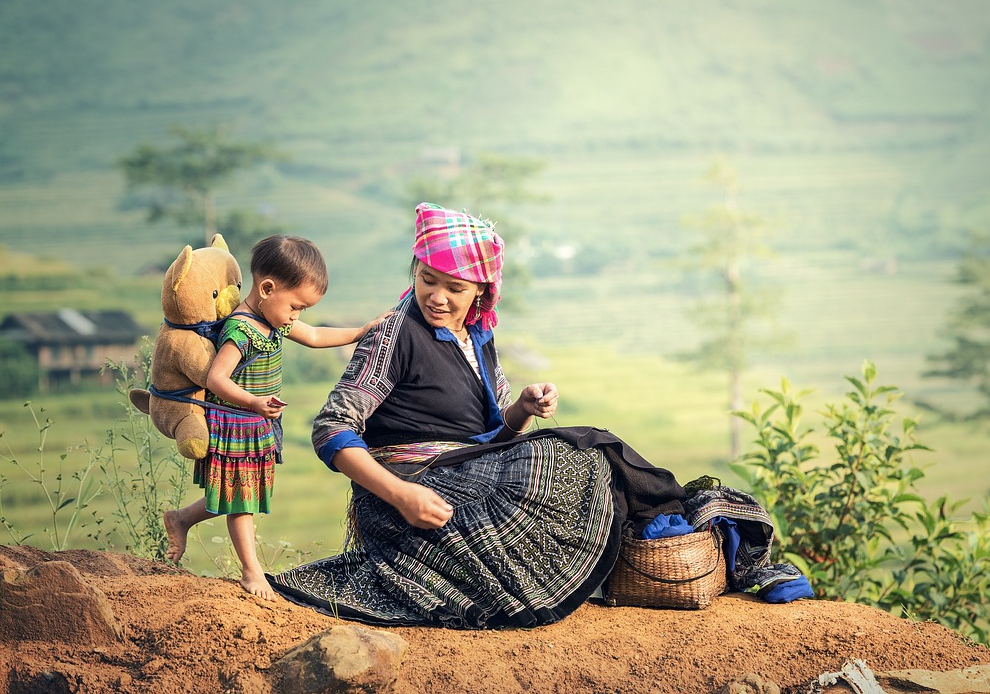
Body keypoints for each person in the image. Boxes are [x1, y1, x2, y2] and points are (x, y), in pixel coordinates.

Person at [268, 204, 805, 626]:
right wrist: (401, 495)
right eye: (427, 279)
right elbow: (332, 427)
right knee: (571, 455)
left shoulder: (479, 339)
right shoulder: (393, 333)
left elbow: (489, 437)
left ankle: (710, 543)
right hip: (412, 490)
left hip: (469, 472)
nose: (435, 296)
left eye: (453, 288)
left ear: (480, 291)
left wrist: (521, 410)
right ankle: (701, 535)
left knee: (581, 459)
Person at [164, 234, 388, 599]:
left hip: (257, 424)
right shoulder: (242, 329)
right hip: (237, 423)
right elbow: (217, 378)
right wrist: (252, 402)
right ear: (268, 288)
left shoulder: (273, 319)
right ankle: (252, 573)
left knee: (240, 492)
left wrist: (361, 332)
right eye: (296, 307)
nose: (297, 317)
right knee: (242, 501)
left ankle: (181, 518)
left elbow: (314, 335)